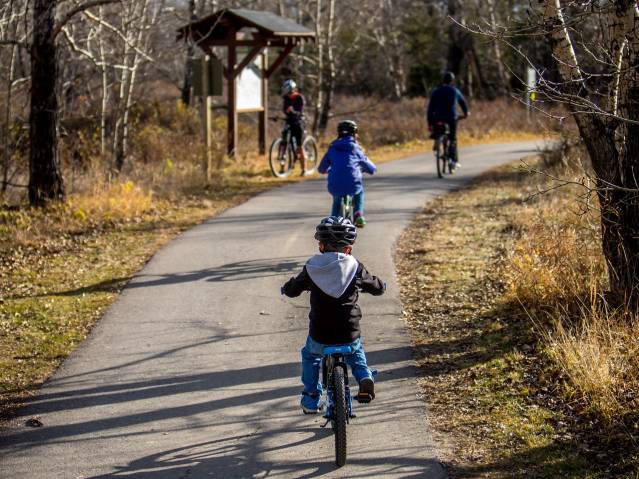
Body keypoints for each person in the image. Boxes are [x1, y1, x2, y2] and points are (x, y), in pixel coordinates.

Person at [281, 216, 386, 414]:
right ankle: (365, 377)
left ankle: (311, 398)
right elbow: (375, 286)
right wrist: (382, 286)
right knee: (355, 353)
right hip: (349, 330)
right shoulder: (356, 267)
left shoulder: (312, 267)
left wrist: (287, 288)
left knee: (310, 356)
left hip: (320, 333)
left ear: (321, 246)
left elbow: (294, 288)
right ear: (349, 249)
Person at [317, 120, 377, 228]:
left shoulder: (332, 147)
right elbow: (371, 168)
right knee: (359, 192)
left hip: (335, 184)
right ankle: (358, 213)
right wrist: (369, 170)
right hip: (353, 183)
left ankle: (333, 220)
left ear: (339, 133)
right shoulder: (356, 148)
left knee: (337, 199)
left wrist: (327, 170)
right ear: (354, 133)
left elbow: (321, 168)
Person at [426, 71, 470, 168]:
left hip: (437, 117)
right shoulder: (455, 91)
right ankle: (453, 160)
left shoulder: (436, 91)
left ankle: (437, 141)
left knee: (437, 130)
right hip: (451, 117)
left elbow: (430, 108)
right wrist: (466, 113)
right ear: (452, 81)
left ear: (443, 81)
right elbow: (463, 103)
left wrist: (430, 122)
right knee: (452, 138)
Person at [281, 79, 307, 175]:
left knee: (299, 146)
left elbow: (300, 110)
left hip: (298, 123)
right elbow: (284, 109)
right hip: (289, 122)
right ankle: (282, 166)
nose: (287, 94)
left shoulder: (299, 98)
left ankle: (303, 169)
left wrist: (294, 111)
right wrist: (287, 111)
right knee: (283, 141)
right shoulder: (286, 98)